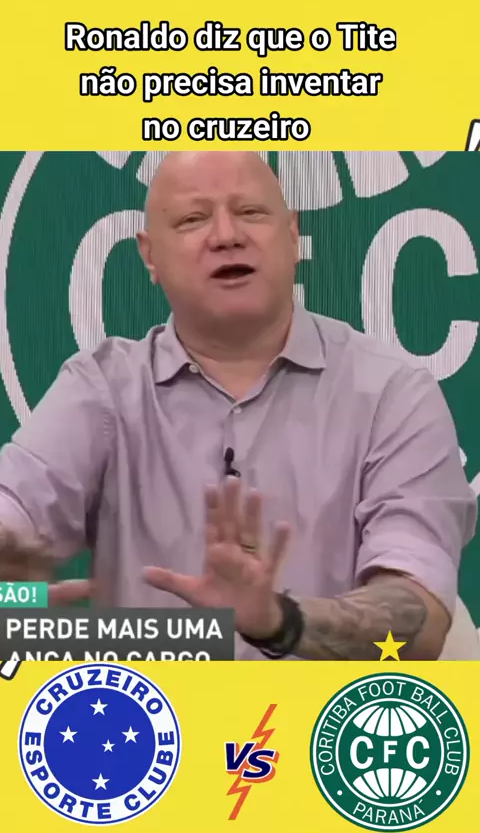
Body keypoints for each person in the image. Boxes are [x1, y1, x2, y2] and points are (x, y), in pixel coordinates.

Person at [0, 151, 476, 661]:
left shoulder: (393, 394)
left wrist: (278, 620)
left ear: (292, 236)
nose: (226, 235)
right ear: (150, 256)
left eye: (251, 212)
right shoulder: (101, 388)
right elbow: (13, 517)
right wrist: (15, 599)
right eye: (193, 219)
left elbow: (420, 614)